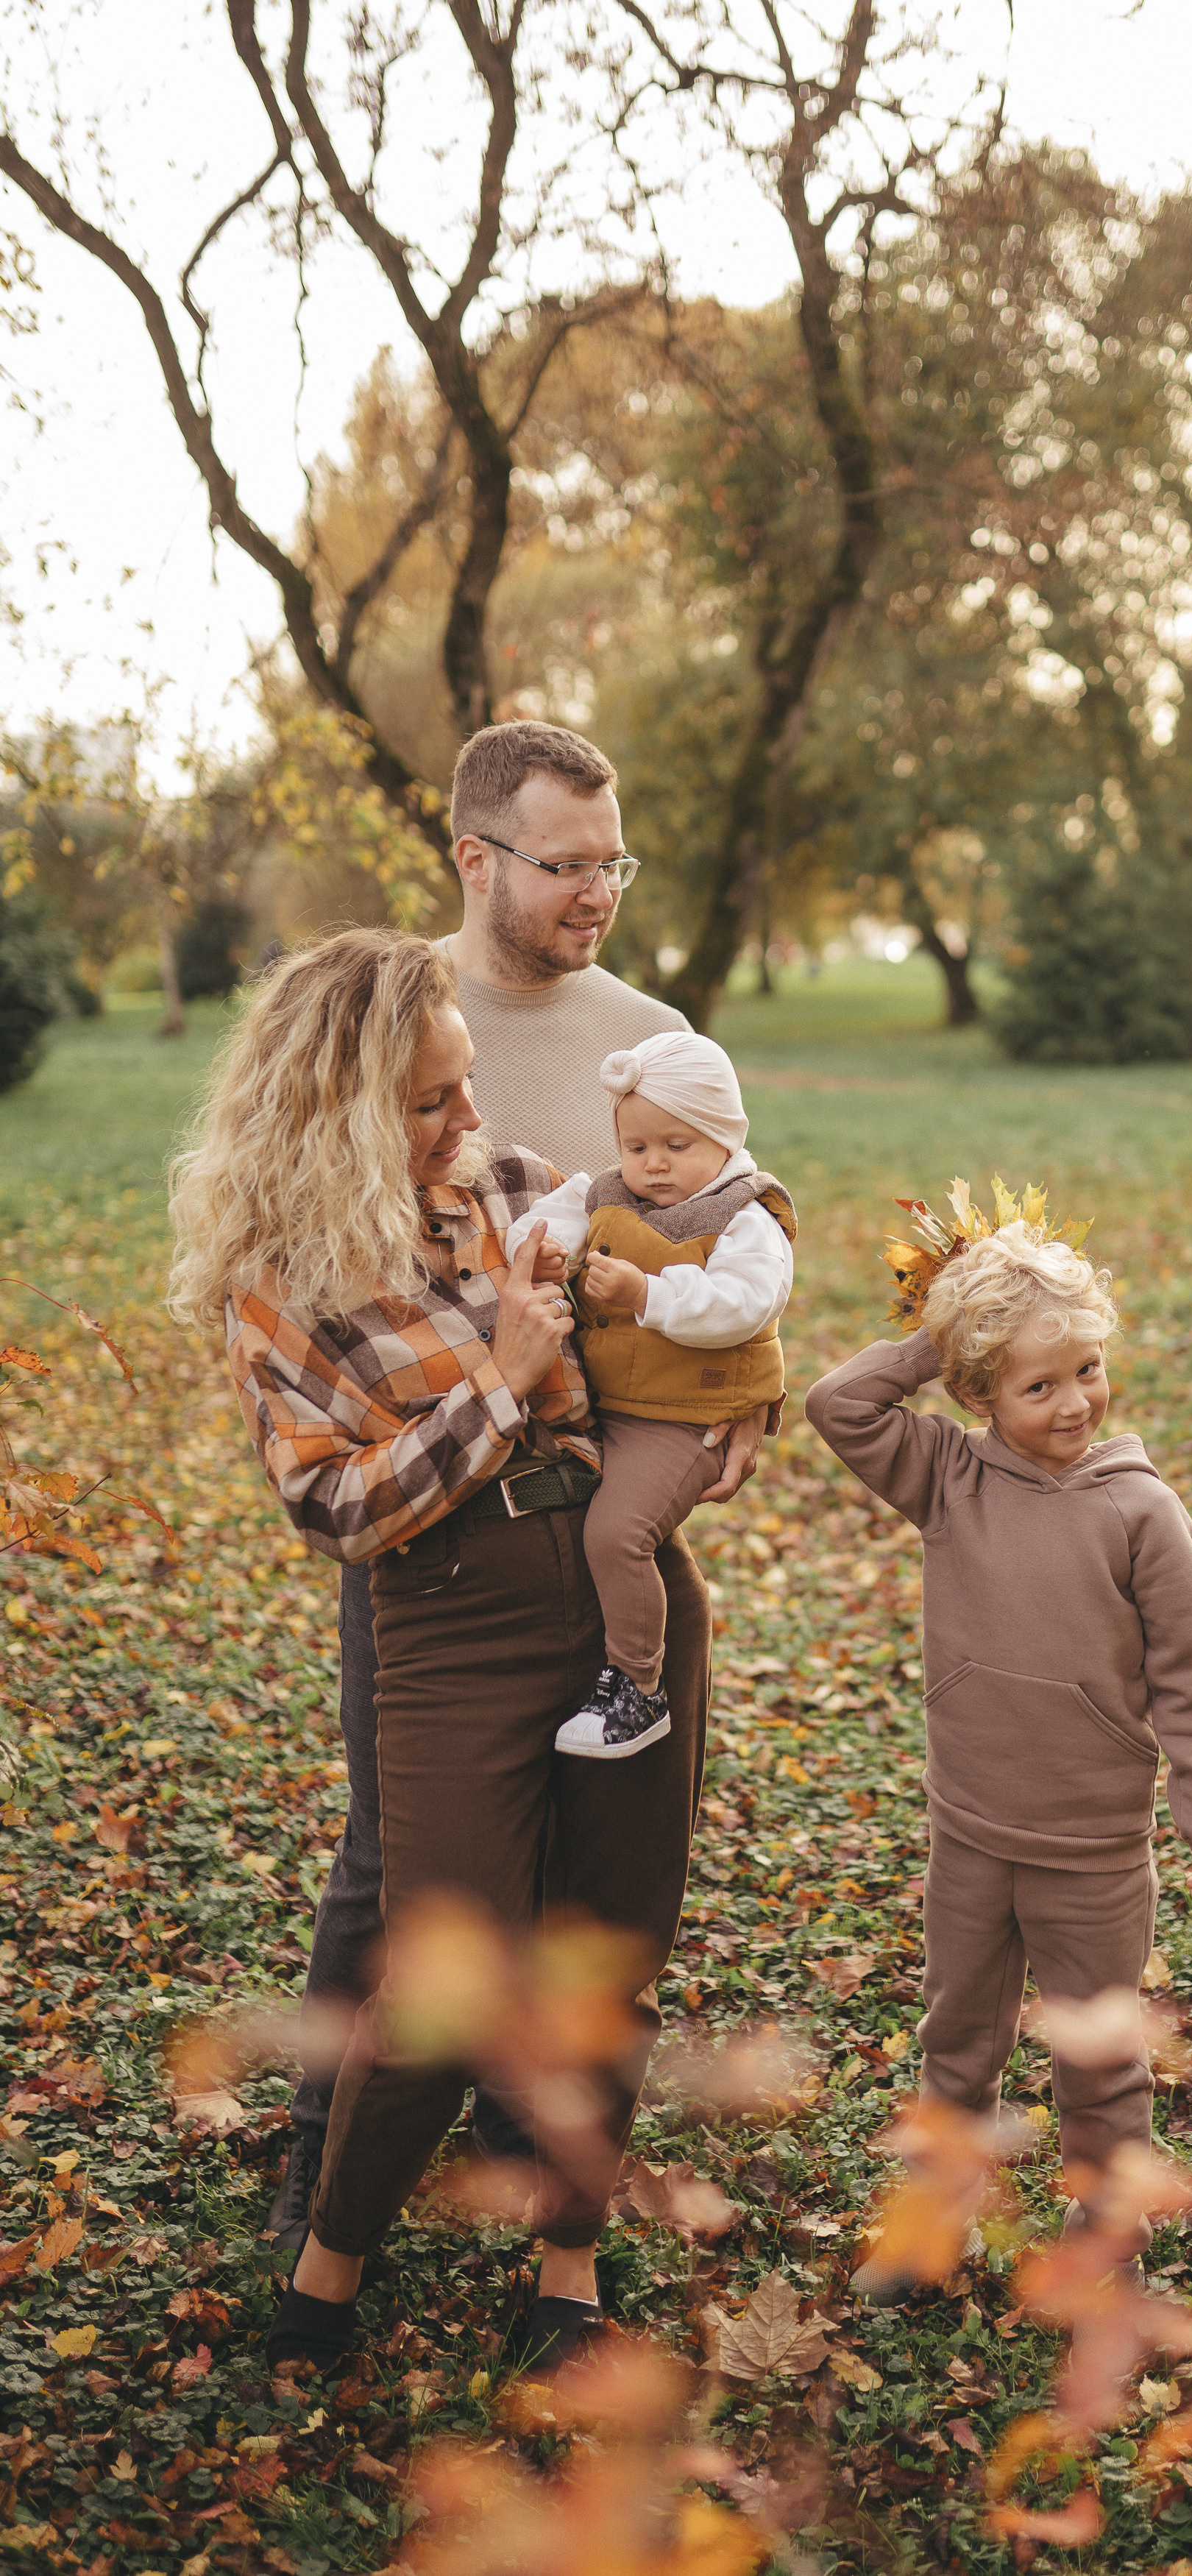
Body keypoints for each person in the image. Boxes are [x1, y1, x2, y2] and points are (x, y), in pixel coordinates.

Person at [258, 722, 768, 2271]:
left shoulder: (644, 1034)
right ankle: (323, 2156)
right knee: (394, 1862)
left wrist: (732, 1411)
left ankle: (517, 2159)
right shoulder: (378, 1011)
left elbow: (706, 1255)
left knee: (592, 1865)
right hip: (435, 1552)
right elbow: (315, 1369)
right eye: (565, 862)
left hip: (597, 1499)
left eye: (615, 861)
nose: (597, 890)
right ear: (477, 857)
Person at [170, 927, 668, 2369]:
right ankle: (326, 2268)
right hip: (448, 1608)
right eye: (432, 1100)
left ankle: (563, 2276)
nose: (473, 1127)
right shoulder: (282, 1280)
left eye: (467, 1087)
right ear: (334, 1114)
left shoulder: (514, 1191)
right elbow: (335, 1506)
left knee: (608, 1943)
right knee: (436, 1956)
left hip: (612, 1581)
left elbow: (634, 1365)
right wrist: (501, 1388)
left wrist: (710, 1420)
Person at [803, 1220, 1192, 2282]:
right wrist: (945, 1324)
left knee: (1095, 2062)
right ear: (977, 1397)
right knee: (956, 2042)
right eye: (1036, 1387)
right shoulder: (944, 1478)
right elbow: (837, 1405)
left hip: (1093, 1851)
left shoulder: (1140, 1512)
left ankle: (1102, 2244)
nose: (1072, 1404)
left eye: (1085, 1371)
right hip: (970, 1834)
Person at [504, 1030, 795, 1758]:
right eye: (635, 1147)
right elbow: (558, 1214)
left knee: (617, 1533)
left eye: (676, 1144)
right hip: (616, 1408)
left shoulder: (744, 1215)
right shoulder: (611, 1189)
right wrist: (537, 1248)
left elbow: (744, 1302)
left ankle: (639, 1687)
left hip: (687, 1418)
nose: (652, 1165)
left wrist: (647, 1292)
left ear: (726, 1138)